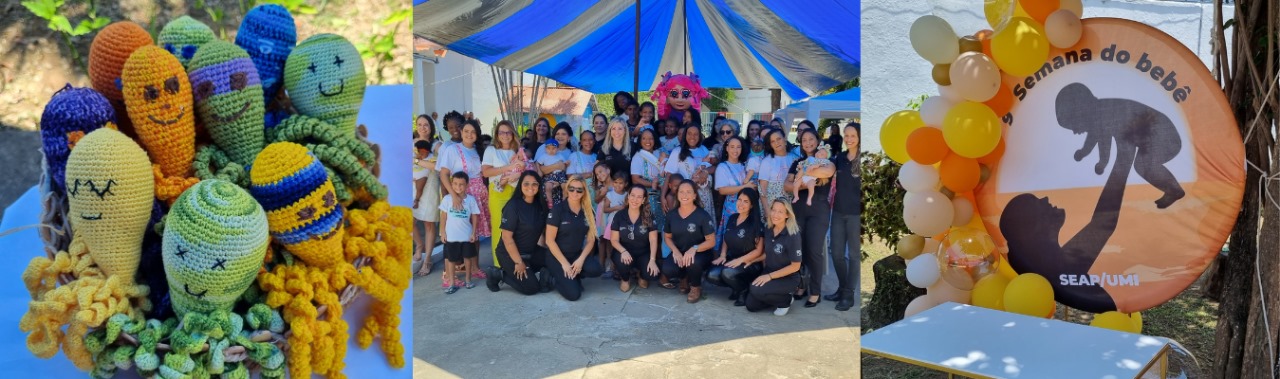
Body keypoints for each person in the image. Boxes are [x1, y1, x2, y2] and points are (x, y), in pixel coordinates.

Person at [784, 128, 835, 307]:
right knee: (799, 250)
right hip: (798, 209)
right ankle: (801, 286)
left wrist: (802, 176)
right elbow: (787, 186)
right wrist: (809, 177)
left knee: (814, 251)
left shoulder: (826, 160)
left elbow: (827, 173)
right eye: (804, 140)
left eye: (811, 139)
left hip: (818, 210)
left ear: (818, 141)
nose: (807, 143)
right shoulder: (797, 162)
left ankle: (815, 291)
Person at [438, 118, 491, 281]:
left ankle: (475, 267)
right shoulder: (452, 149)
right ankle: (449, 273)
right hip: (461, 195)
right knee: (456, 233)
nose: (469, 134)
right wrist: (453, 196)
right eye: (466, 131)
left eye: (473, 132)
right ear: (461, 132)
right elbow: (443, 174)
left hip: (478, 197)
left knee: (475, 233)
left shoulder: (478, 150)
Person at [485, 171, 553, 294]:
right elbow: (507, 238)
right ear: (520, 185)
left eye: (534, 184)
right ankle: (498, 274)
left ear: (539, 186)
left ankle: (539, 276)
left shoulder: (540, 205)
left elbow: (543, 232)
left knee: (554, 259)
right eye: (526, 184)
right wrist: (518, 262)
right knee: (531, 288)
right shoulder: (513, 206)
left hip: (531, 251)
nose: (530, 187)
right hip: (509, 254)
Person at [545, 176, 603, 301]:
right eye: (571, 189)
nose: (575, 192)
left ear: (584, 192)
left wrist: (581, 260)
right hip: (556, 256)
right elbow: (549, 240)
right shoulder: (558, 210)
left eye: (579, 190)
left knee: (596, 270)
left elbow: (591, 240)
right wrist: (565, 264)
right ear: (567, 189)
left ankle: (573, 276)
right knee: (574, 294)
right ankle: (551, 277)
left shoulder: (588, 211)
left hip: (575, 254)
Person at [706, 188, 764, 306]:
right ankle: (736, 287)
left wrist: (740, 260)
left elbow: (758, 251)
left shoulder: (756, 223)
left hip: (750, 263)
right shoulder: (732, 218)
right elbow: (726, 238)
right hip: (732, 258)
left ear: (752, 205)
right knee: (711, 274)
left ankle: (743, 290)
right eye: (739, 200)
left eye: (746, 201)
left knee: (727, 272)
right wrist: (723, 255)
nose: (741, 204)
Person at [662, 179, 717, 303]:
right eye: (681, 192)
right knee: (668, 268)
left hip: (701, 253)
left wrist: (694, 249)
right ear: (677, 195)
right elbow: (667, 237)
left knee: (692, 262)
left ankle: (695, 287)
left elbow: (711, 241)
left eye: (688, 192)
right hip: (680, 251)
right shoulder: (672, 215)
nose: (684, 195)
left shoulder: (702, 215)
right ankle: (684, 278)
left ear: (694, 195)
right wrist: (675, 251)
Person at [745, 199, 804, 315]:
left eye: (780, 212)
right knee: (751, 305)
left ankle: (785, 300)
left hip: (788, 278)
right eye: (773, 210)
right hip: (770, 271)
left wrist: (769, 277)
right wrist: (752, 260)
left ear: (787, 215)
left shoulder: (793, 235)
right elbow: (768, 253)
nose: (775, 214)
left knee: (755, 289)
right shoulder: (768, 228)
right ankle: (776, 296)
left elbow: (795, 266)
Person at [826, 122, 861, 311]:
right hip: (838, 212)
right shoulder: (839, 158)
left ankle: (849, 294)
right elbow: (826, 170)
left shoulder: (864, 160)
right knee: (837, 253)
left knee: (854, 255)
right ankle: (842, 288)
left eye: (853, 135)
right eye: (846, 135)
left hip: (856, 215)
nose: (849, 139)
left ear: (859, 137)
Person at [481, 120, 528, 259]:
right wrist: (508, 168)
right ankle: (499, 263)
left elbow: (527, 168)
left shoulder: (518, 150)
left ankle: (515, 261)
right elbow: (486, 172)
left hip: (517, 191)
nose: (505, 135)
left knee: (516, 228)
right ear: (497, 134)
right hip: (498, 191)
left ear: (513, 133)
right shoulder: (491, 150)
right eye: (501, 132)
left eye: (508, 132)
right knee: (499, 227)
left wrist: (519, 173)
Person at [610, 184, 661, 292]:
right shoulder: (619, 215)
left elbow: (653, 240)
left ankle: (641, 275)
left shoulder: (648, 215)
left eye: (639, 197)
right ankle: (625, 278)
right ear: (628, 196)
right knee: (622, 262)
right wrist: (623, 251)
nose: (635, 199)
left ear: (643, 200)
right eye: (632, 195)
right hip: (624, 251)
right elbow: (614, 240)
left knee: (651, 275)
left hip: (643, 252)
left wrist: (652, 260)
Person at [438, 172, 482, 293]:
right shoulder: (447, 199)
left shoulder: (471, 200)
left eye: (461, 184)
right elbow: (443, 216)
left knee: (468, 258)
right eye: (455, 184)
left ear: (467, 185)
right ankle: (452, 283)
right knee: (451, 260)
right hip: (451, 237)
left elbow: (475, 216)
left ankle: (468, 280)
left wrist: (474, 233)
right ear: (451, 184)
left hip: (466, 236)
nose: (458, 187)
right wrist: (443, 232)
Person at [665, 125, 716, 217]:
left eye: (696, 134)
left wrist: (705, 171)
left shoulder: (703, 149)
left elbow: (714, 167)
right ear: (685, 135)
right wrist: (663, 196)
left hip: (704, 195)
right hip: (686, 195)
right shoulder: (677, 151)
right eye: (689, 133)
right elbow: (669, 175)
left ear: (700, 136)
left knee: (704, 221)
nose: (692, 137)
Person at [631, 129, 668, 252]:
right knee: (649, 224)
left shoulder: (660, 153)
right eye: (644, 138)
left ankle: (662, 252)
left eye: (651, 138)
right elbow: (635, 179)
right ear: (640, 141)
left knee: (662, 224)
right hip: (647, 194)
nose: (648, 141)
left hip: (662, 193)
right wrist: (653, 184)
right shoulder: (638, 156)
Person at [714, 136, 755, 250]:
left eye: (738, 147)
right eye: (732, 147)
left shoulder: (744, 165)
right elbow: (722, 190)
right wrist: (745, 187)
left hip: (747, 206)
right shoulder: (722, 167)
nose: (735, 150)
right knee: (730, 232)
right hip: (731, 207)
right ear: (727, 148)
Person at [412, 134, 441, 277]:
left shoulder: (433, 156)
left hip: (430, 194)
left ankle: (427, 260)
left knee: (429, 225)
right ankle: (419, 245)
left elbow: (437, 167)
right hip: (414, 194)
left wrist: (417, 160)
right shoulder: (414, 153)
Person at [598, 171, 628, 281]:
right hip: (612, 223)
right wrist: (616, 208)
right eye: (615, 182)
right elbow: (605, 209)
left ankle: (620, 268)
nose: (617, 185)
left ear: (625, 184)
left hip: (623, 223)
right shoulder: (610, 195)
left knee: (622, 244)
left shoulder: (627, 195)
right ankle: (611, 267)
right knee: (610, 245)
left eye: (621, 183)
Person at [758, 128, 796, 206]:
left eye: (778, 139)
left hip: (792, 204)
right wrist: (767, 210)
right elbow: (763, 189)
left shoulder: (795, 158)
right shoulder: (767, 161)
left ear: (785, 139)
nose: (776, 143)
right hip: (772, 205)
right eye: (773, 141)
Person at [536, 139, 570, 207]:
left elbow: (564, 164)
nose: (551, 150)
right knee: (548, 187)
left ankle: (565, 200)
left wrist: (566, 163)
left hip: (560, 174)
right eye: (549, 148)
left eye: (553, 148)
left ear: (557, 149)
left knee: (565, 186)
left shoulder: (560, 155)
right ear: (545, 149)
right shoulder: (544, 156)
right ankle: (550, 201)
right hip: (550, 174)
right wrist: (539, 171)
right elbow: (537, 163)